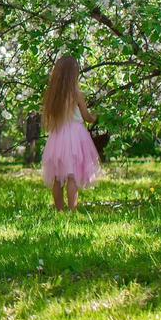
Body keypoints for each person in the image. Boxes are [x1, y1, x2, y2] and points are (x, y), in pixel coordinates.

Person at [41, 55, 100, 211]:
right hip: (75, 135)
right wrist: (96, 118)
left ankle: (59, 210)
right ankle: (72, 210)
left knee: (57, 178)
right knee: (72, 176)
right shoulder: (76, 93)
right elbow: (87, 117)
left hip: (58, 135)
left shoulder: (52, 94)